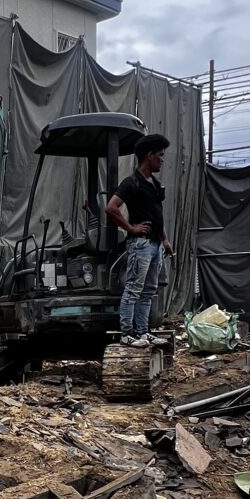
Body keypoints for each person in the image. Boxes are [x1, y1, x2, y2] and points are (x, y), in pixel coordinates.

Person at [106, 134, 172, 345]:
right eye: (160, 155)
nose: (162, 160)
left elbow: (156, 214)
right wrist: (131, 228)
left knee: (148, 291)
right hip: (141, 245)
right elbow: (111, 207)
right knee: (134, 288)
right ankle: (127, 334)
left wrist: (165, 239)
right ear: (149, 156)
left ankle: (143, 332)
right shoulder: (131, 182)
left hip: (155, 245)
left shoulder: (154, 183)